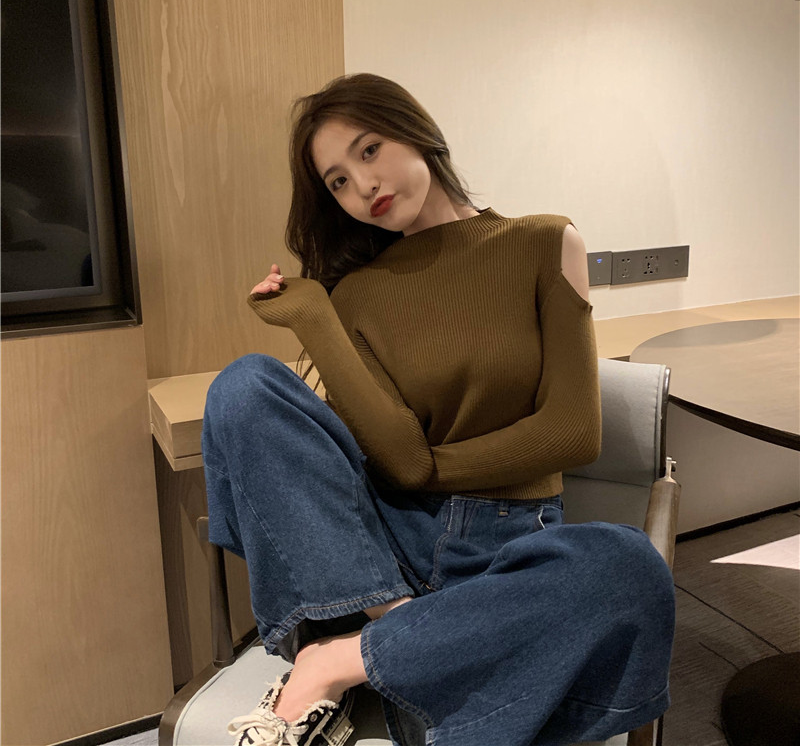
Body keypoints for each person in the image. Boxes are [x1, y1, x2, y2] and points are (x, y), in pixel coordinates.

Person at [201, 73, 676, 746]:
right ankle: (411, 638)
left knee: (624, 565)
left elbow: (572, 433)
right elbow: (394, 456)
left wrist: (423, 469)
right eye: (338, 181)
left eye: (370, 150)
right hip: (378, 556)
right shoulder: (354, 294)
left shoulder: (545, 241)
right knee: (244, 383)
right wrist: (314, 317)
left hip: (508, 545)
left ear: (416, 129)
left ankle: (345, 661)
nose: (363, 186)